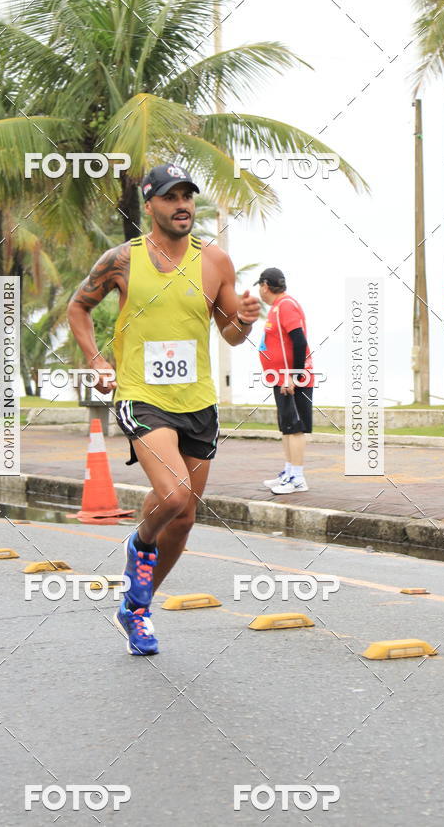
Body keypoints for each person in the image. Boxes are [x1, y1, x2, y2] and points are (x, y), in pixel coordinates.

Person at [67, 163, 260, 655]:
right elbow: (78, 306)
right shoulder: (122, 260)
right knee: (172, 498)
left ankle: (137, 607)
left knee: (185, 517)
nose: (183, 206)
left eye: (189, 197)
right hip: (142, 397)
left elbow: (231, 335)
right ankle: (138, 545)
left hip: (198, 403)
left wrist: (246, 319)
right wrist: (96, 359)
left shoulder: (216, 262)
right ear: (149, 205)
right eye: (172, 197)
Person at [256, 267, 314, 495]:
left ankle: (298, 478)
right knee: (287, 427)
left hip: (291, 378)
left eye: (260, 287)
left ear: (265, 286)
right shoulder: (277, 308)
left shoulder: (286, 306)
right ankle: (289, 471)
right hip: (281, 377)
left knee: (296, 427)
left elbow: (299, 342)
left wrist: (295, 375)